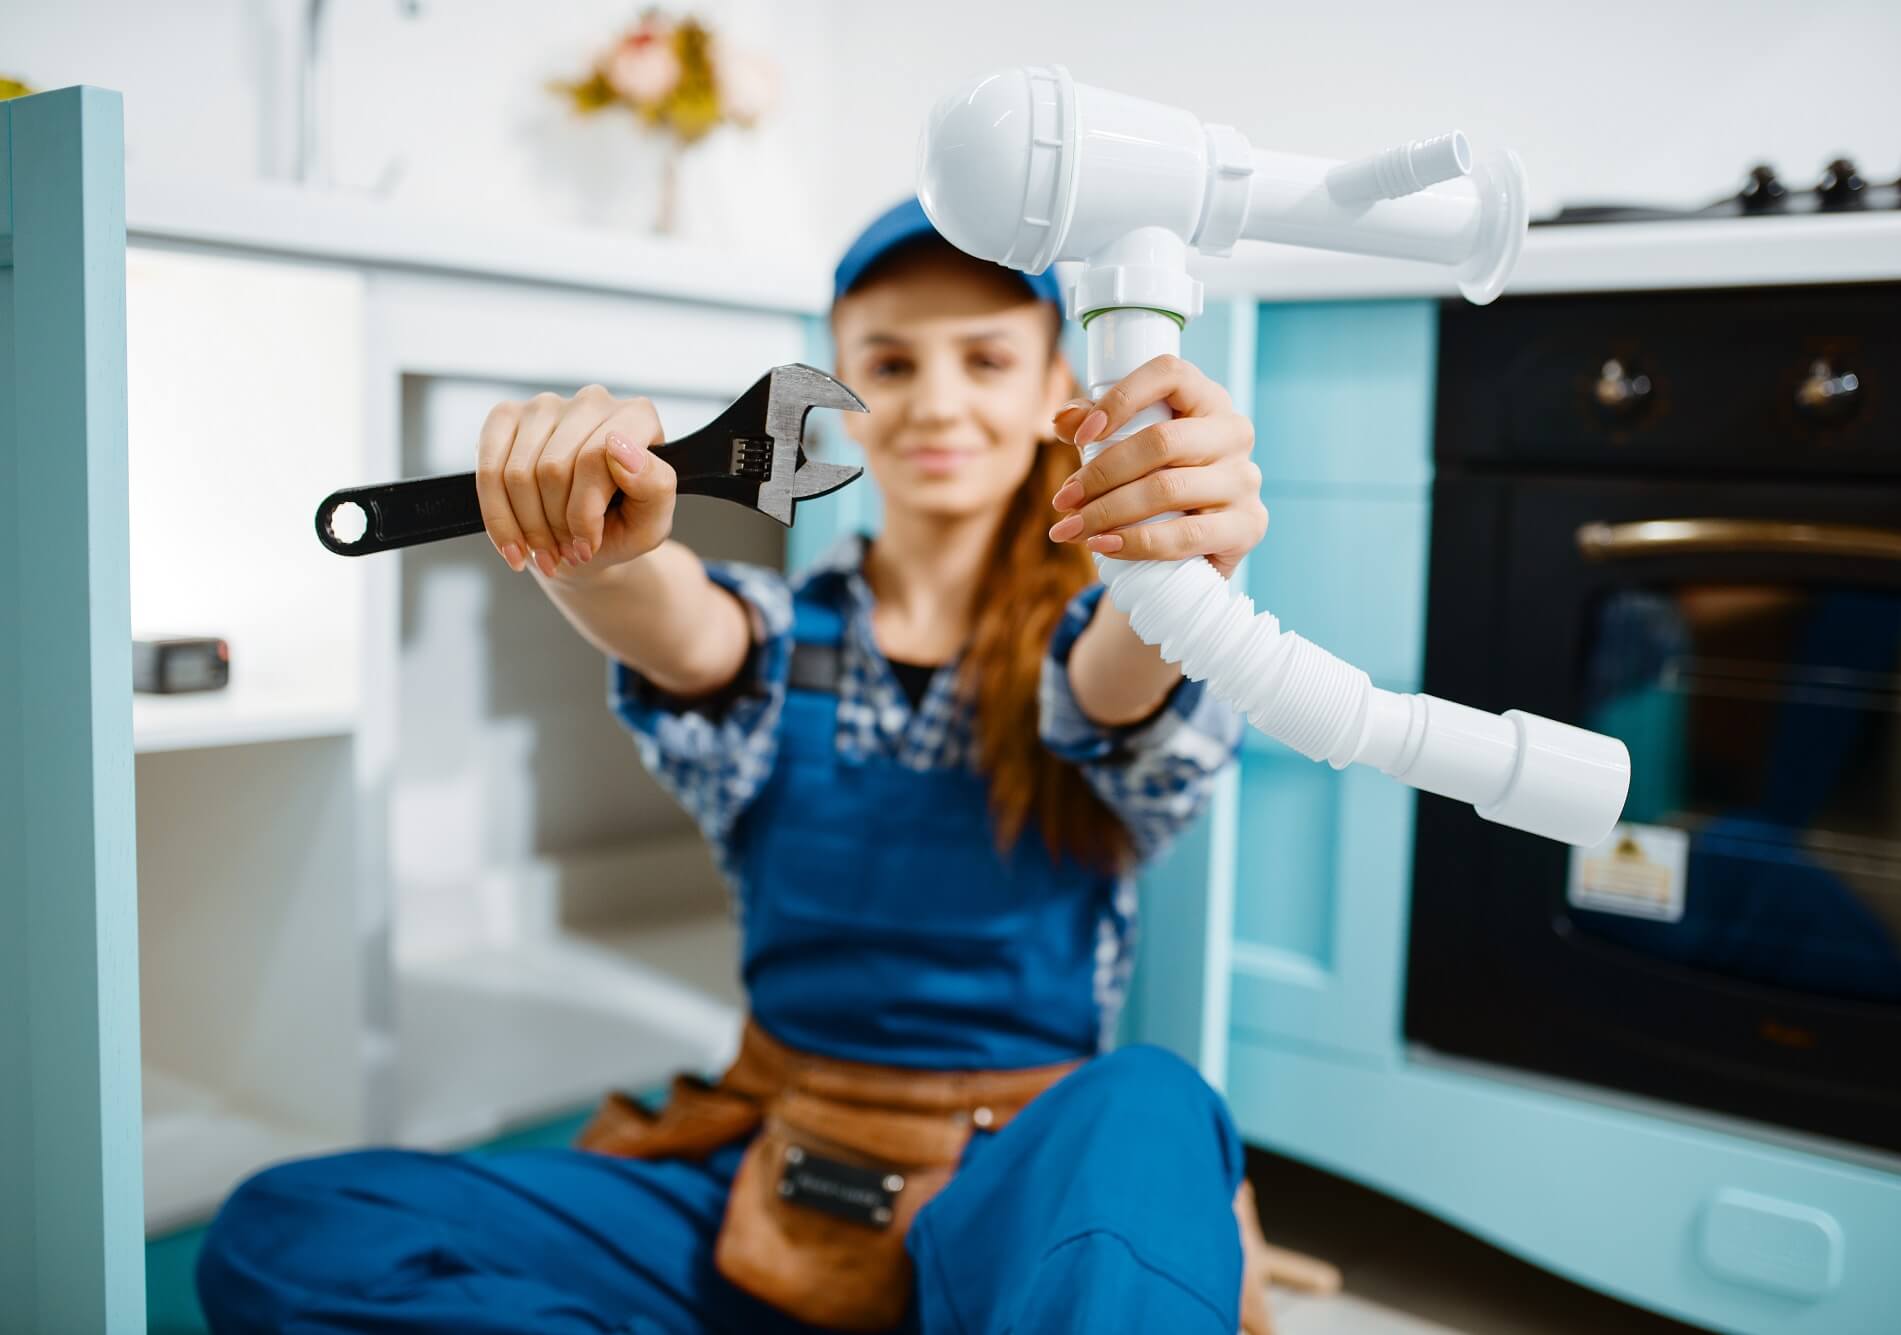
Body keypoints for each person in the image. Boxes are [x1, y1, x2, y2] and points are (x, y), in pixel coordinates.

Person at [197, 198, 1272, 1333]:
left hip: (1023, 1198)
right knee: (294, 1232)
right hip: (774, 1167)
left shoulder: (1102, 638)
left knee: (1152, 1107)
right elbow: (684, 625)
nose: (938, 401)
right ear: (840, 387)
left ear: (1057, 381)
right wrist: (596, 557)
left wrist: (1178, 572)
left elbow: (1113, 678)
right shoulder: (776, 641)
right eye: (891, 362)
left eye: (987, 358)